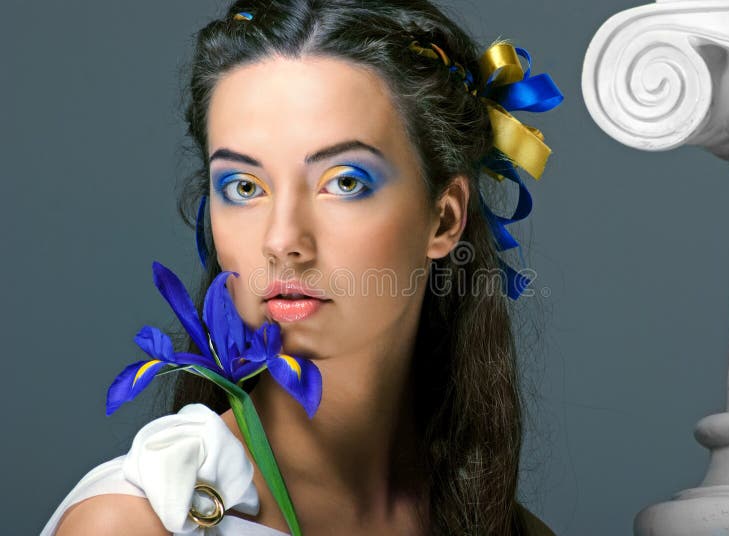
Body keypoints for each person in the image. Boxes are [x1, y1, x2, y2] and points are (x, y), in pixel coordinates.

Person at [43, 0, 559, 534]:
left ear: (445, 219)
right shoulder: (134, 523)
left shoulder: (507, 527)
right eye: (244, 187)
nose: (283, 240)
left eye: (345, 181)